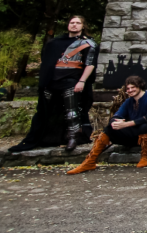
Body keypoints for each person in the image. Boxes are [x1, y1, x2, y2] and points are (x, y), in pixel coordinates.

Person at [9, 16, 98, 153]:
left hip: (71, 80)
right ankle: (46, 137)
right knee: (46, 110)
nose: (74, 25)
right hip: (52, 81)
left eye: (78, 23)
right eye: (72, 23)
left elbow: (89, 65)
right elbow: (47, 62)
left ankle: (72, 138)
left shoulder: (89, 44)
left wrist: (82, 81)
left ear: (83, 26)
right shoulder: (54, 43)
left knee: (71, 111)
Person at [67, 76, 147, 174]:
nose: (130, 90)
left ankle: (145, 157)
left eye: (133, 87)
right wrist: (116, 123)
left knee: (145, 126)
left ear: (140, 86)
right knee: (110, 128)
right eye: (128, 89)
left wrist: (126, 124)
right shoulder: (128, 101)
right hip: (135, 134)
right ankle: (89, 161)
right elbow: (117, 116)